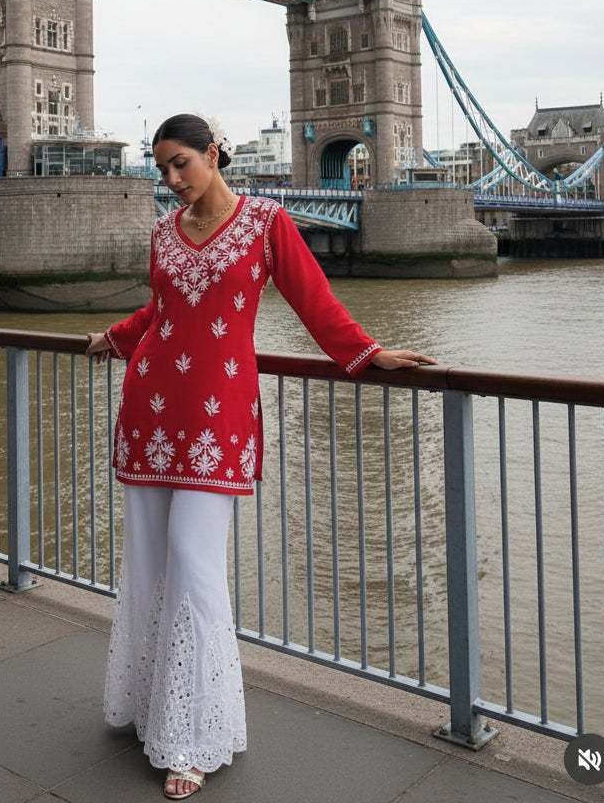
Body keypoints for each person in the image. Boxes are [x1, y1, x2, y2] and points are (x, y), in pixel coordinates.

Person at [86, 113, 435, 798]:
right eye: (161, 168)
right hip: (150, 410)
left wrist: (367, 353)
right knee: (150, 559)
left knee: (194, 560)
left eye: (181, 163)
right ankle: (148, 709)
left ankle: (195, 735)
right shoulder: (162, 232)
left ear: (214, 153)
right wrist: (115, 335)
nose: (172, 179)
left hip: (219, 418)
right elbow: (162, 313)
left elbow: (314, 300)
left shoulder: (267, 222)